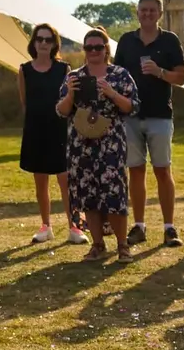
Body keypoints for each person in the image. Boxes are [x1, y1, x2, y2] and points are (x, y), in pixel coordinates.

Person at [55, 27, 140, 262]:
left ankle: (123, 246)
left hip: (110, 144)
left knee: (114, 193)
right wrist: (71, 95)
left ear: (106, 50)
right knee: (87, 194)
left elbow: (132, 107)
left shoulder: (120, 74)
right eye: (89, 47)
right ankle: (98, 245)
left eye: (98, 47)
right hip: (81, 144)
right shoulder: (74, 77)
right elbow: (61, 111)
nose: (93, 51)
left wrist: (111, 93)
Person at [114, 0, 184, 247]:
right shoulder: (126, 41)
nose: (147, 14)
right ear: (137, 13)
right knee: (135, 171)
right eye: (143, 10)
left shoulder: (169, 41)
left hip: (160, 115)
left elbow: (181, 77)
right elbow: (116, 75)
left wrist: (159, 72)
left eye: (152, 10)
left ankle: (169, 228)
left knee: (163, 171)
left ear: (160, 13)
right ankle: (139, 226)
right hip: (130, 116)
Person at [18, 23, 86, 245]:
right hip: (35, 129)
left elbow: (70, 100)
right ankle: (45, 226)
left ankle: (74, 227)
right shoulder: (24, 70)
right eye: (40, 39)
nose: (44, 44)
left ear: (55, 43)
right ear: (34, 42)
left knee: (65, 180)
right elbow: (25, 103)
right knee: (40, 181)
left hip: (60, 129)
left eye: (48, 40)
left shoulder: (64, 69)